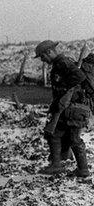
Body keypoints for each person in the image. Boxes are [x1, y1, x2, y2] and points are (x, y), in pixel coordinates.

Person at [35, 40, 90, 177]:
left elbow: (79, 77)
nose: (43, 60)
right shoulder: (60, 63)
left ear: (49, 52)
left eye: (43, 56)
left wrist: (66, 89)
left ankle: (81, 169)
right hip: (69, 109)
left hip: (73, 109)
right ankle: (57, 165)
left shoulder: (62, 63)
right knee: (56, 134)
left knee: (73, 138)